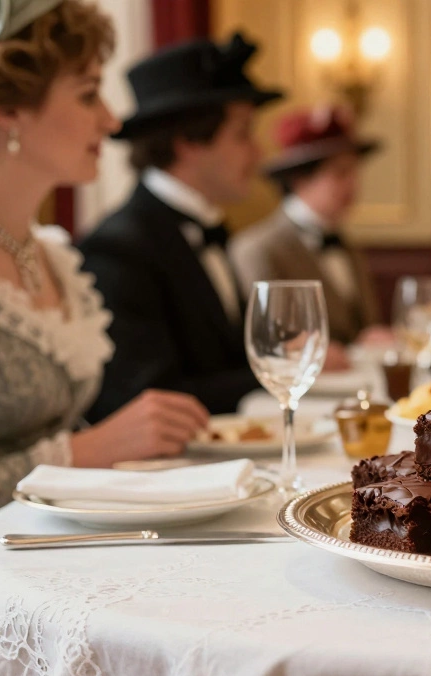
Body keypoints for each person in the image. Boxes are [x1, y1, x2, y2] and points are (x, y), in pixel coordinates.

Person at [0, 0, 209, 676]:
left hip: (48, 569)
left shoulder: (42, 254)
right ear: (9, 108)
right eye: (86, 94)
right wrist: (80, 453)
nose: (110, 120)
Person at [79, 33, 283, 422]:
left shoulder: (211, 227)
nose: (258, 153)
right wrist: (278, 373)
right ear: (188, 141)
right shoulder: (118, 249)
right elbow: (150, 399)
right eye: (242, 134)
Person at [229, 105, 392, 369]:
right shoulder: (258, 248)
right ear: (299, 180)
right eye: (340, 173)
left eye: (354, 172)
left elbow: (363, 326)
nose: (353, 185)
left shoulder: (345, 244)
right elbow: (268, 343)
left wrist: (372, 337)